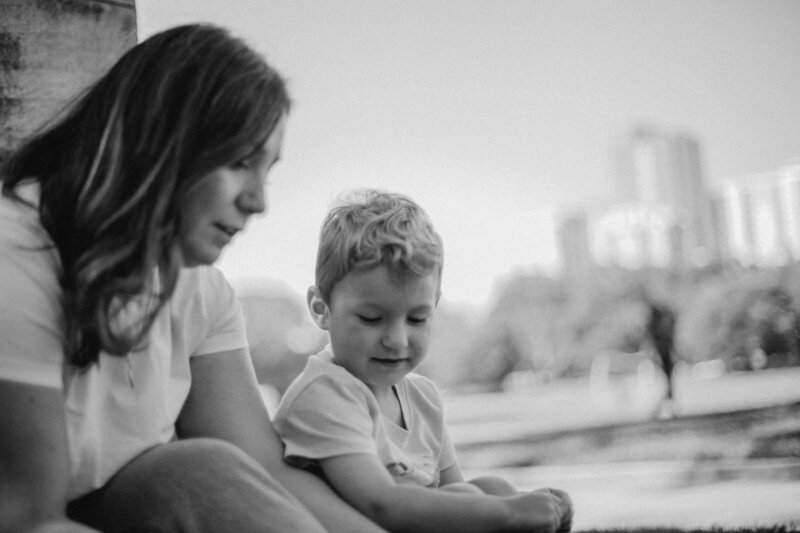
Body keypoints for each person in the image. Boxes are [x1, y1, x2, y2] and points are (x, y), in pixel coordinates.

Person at [0, 24, 386, 533]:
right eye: (240, 162)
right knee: (193, 473)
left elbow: (267, 474)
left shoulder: (202, 291)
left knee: (191, 472)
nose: (259, 202)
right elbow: (29, 518)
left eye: (266, 171)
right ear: (161, 140)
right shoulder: (18, 250)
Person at [273, 190, 574, 533]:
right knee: (491, 502)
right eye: (372, 318)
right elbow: (380, 503)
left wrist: (516, 506)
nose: (397, 340)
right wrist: (509, 514)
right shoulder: (323, 393)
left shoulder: (423, 397)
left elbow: (453, 493)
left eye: (417, 319)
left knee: (494, 489)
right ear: (320, 309)